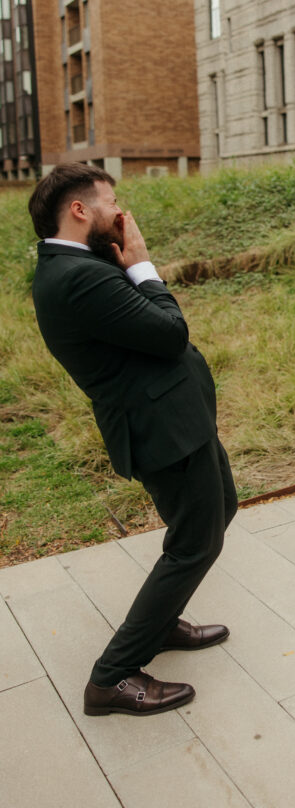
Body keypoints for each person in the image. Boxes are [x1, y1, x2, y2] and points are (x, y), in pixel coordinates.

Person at [28, 163, 238, 715]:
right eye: (111, 203)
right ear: (79, 209)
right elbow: (169, 333)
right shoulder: (76, 277)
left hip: (177, 419)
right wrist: (143, 262)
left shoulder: (78, 262)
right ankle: (113, 676)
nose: (121, 214)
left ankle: (162, 623)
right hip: (162, 429)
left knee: (219, 512)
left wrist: (125, 258)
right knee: (196, 543)